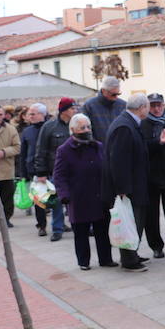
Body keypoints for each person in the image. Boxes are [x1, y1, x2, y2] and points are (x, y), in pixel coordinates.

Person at [53, 114, 117, 270]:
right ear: (73, 129)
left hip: (99, 195)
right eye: (82, 128)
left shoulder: (98, 146)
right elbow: (59, 175)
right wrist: (64, 195)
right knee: (81, 232)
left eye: (88, 127)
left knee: (102, 230)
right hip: (78, 197)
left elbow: (108, 169)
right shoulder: (65, 150)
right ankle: (84, 261)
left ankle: (106, 259)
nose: (87, 130)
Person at [101, 94, 152, 272]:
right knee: (131, 221)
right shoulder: (124, 126)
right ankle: (129, 259)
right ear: (142, 107)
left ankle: (133, 253)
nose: (149, 109)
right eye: (148, 106)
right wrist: (122, 188)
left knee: (134, 221)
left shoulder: (128, 123)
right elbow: (118, 160)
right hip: (129, 188)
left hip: (134, 184)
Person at [141, 93, 165, 258]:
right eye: (153, 105)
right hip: (150, 176)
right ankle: (156, 246)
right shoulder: (143, 124)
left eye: (159, 105)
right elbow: (141, 149)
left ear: (164, 105)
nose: (157, 108)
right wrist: (158, 143)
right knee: (151, 215)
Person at [34, 98, 78, 241]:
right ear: (64, 111)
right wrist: (41, 172)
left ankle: (82, 226)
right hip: (57, 171)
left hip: (77, 170)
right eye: (72, 108)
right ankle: (57, 229)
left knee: (78, 200)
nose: (75, 111)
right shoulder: (49, 127)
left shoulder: (78, 124)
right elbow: (41, 150)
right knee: (58, 202)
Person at [21, 103, 49, 236]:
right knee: (39, 201)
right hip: (34, 170)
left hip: (51, 169)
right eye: (29, 114)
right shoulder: (27, 131)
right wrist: (24, 173)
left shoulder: (50, 127)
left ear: (42, 114)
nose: (30, 116)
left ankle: (59, 224)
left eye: (33, 113)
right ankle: (41, 225)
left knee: (56, 200)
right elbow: (23, 153)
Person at [82, 76, 126, 143]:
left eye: (118, 94)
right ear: (103, 91)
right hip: (98, 150)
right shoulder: (89, 106)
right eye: (113, 95)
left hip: (119, 150)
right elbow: (86, 131)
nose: (116, 97)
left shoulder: (123, 105)